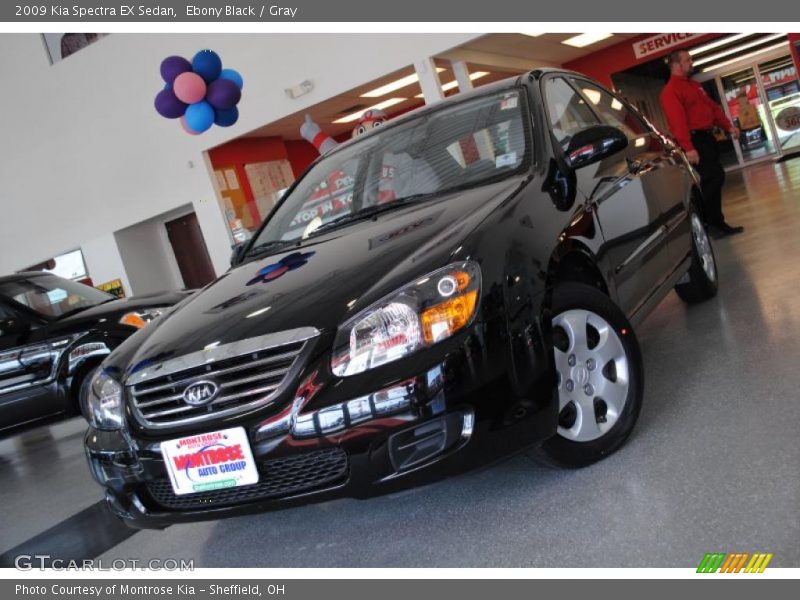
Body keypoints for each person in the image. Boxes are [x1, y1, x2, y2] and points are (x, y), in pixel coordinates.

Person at [660, 50, 744, 238]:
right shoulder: (670, 91)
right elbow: (677, 122)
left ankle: (714, 223)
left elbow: (712, 108)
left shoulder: (695, 86)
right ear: (676, 65)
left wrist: (728, 126)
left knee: (713, 179)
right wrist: (688, 148)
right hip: (694, 140)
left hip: (706, 138)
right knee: (713, 178)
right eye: (687, 60)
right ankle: (710, 224)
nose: (691, 62)